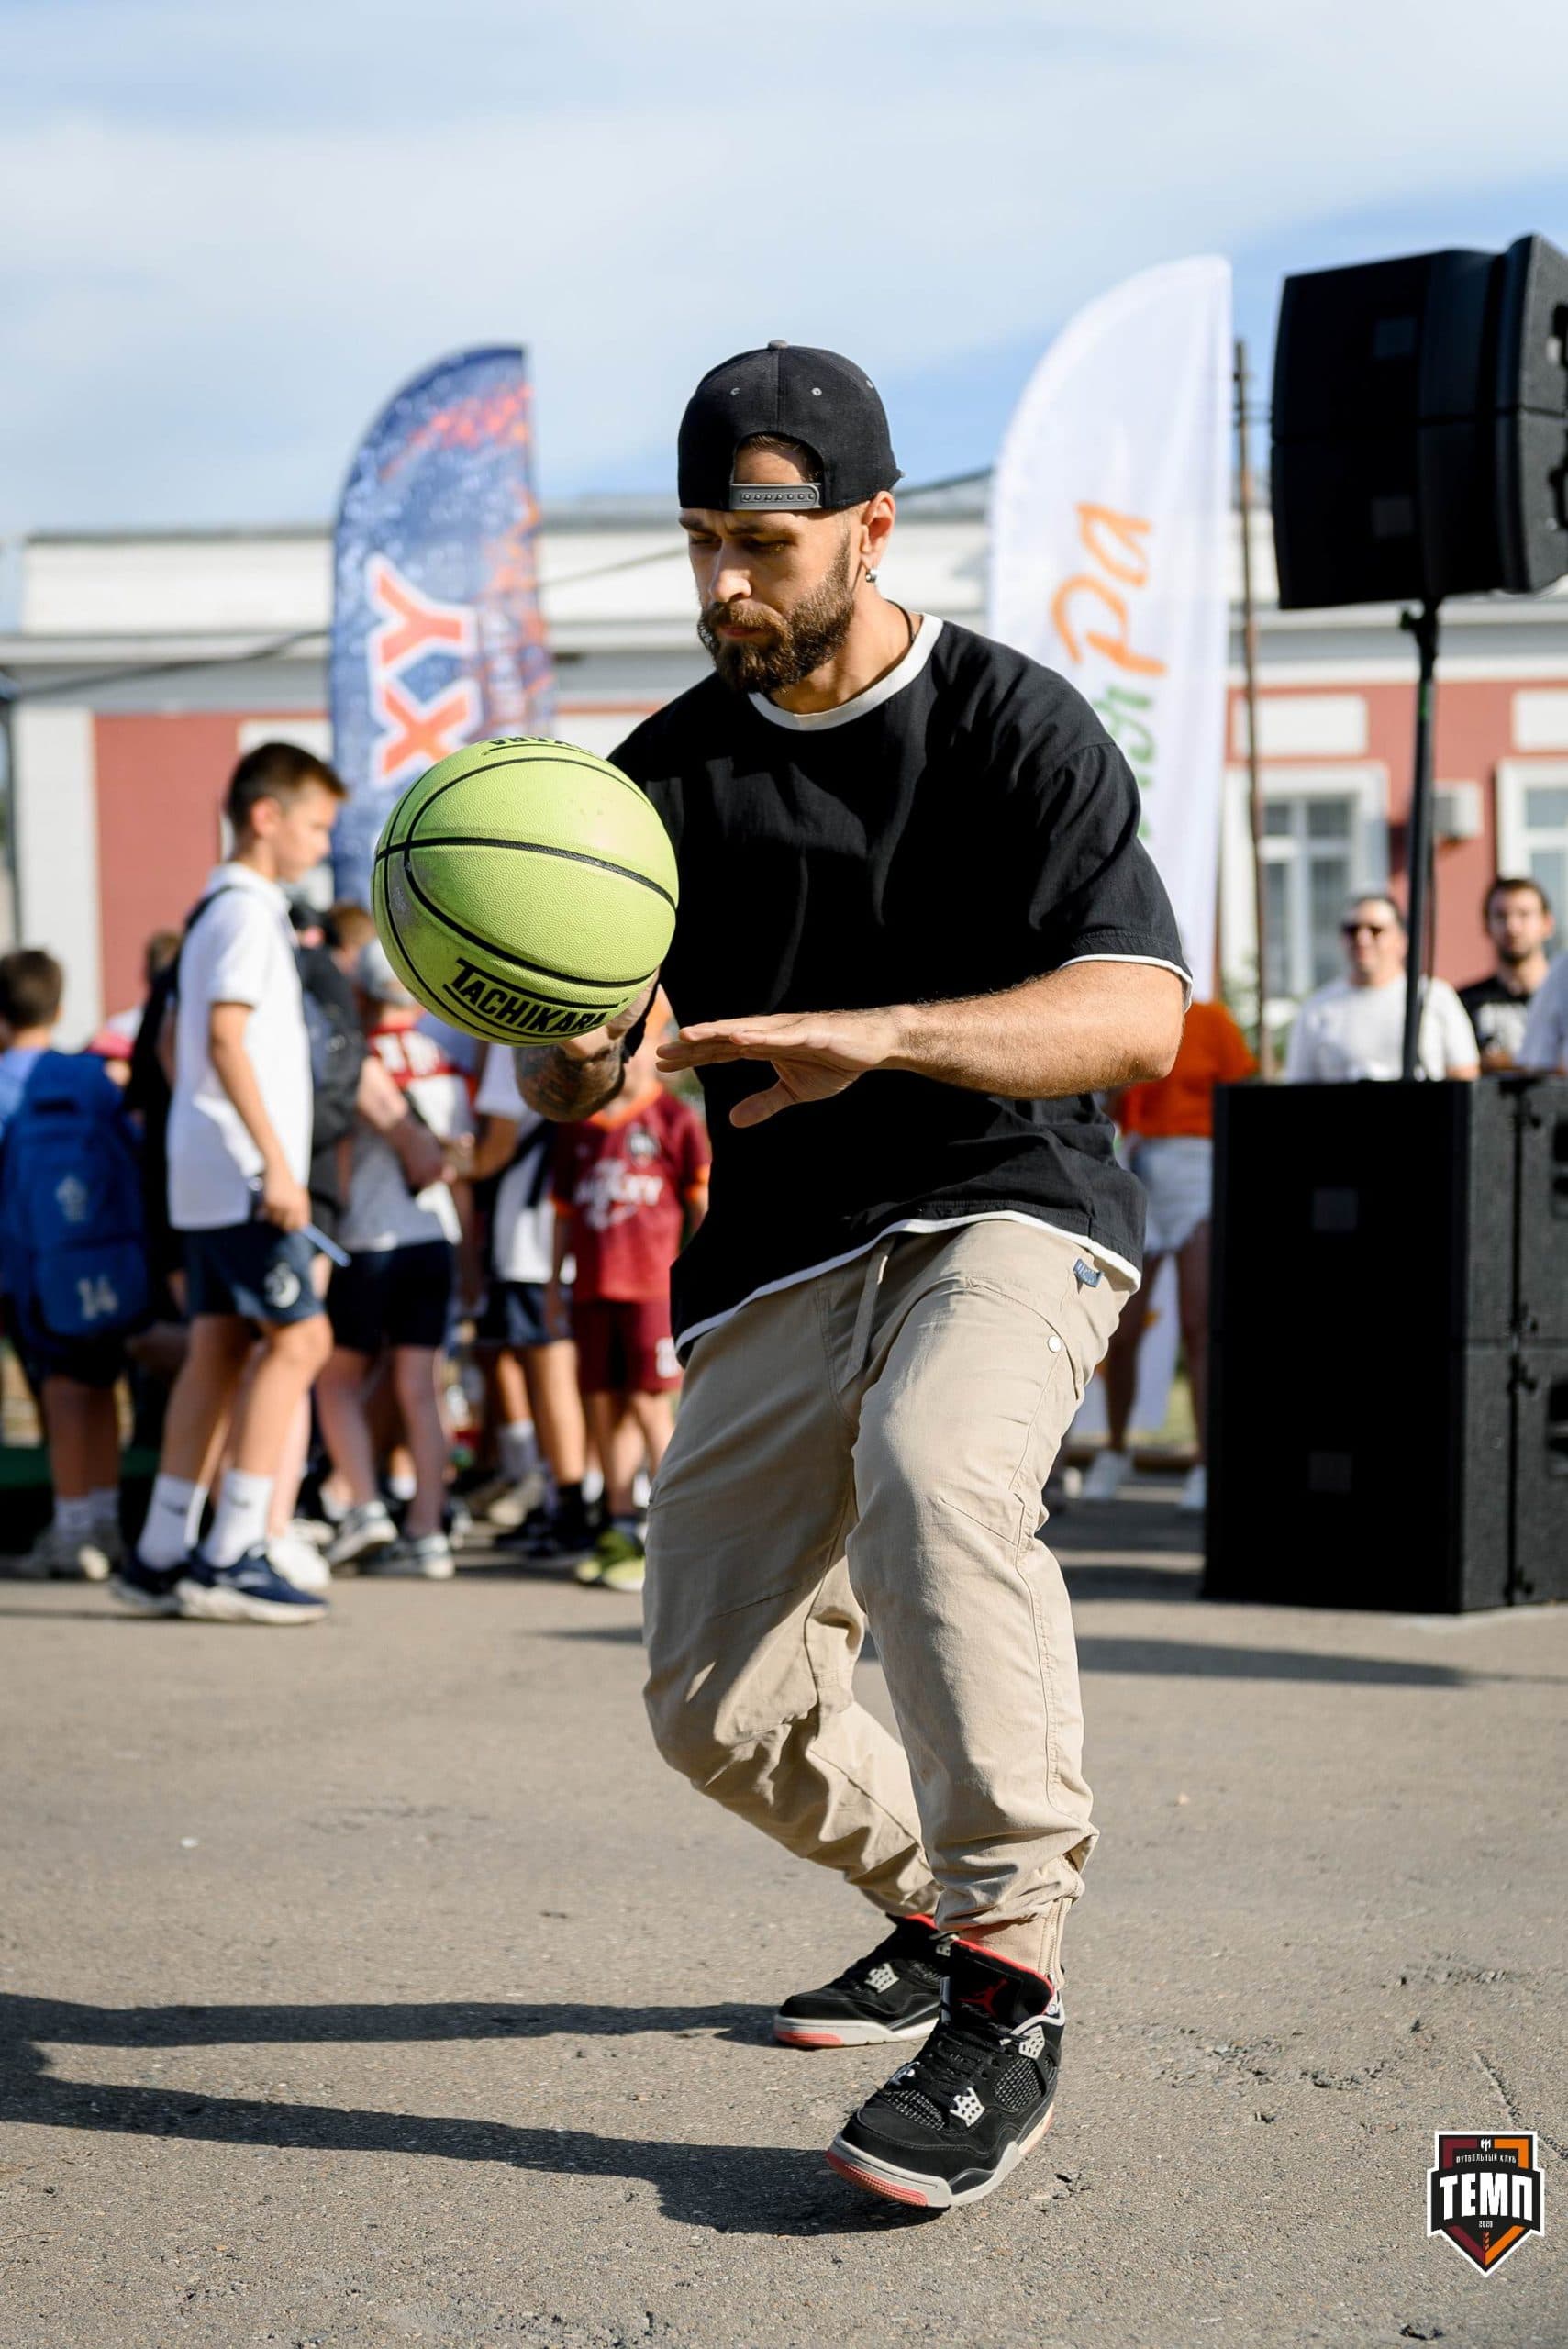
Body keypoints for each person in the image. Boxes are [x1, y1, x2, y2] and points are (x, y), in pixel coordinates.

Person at [517, 343, 1186, 2210]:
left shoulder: (1007, 723)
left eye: (762, 542)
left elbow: (1133, 1008)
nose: (726, 583)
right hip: (782, 1250)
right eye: (699, 545)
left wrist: (875, 1036)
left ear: (868, 527)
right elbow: (583, 1060)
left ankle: (1004, 1971)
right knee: (707, 1697)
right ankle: (918, 1891)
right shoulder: (657, 779)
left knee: (931, 1465)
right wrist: (570, 1046)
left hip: (1008, 1201)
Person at [109, 741, 346, 1623]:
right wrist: (276, 1165)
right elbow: (218, 1041)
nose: (324, 843)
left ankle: (162, 1553)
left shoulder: (213, 910)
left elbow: (176, 1045)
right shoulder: (248, 914)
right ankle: (235, 1550)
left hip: (209, 1174)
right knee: (302, 1343)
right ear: (266, 816)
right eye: (316, 824)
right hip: (250, 1177)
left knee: (219, 1348)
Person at [313, 941, 473, 1579]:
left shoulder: (353, 1057)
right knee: (420, 1385)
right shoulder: (443, 1058)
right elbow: (458, 1161)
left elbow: (341, 1161)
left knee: (336, 1379)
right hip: (433, 1234)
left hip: (365, 1239)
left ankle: (364, 1507)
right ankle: (427, 1530)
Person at [548, 1000, 709, 1591]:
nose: (630, 1065)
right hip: (593, 1288)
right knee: (603, 1406)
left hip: (651, 1290)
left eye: (638, 1053)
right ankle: (616, 1524)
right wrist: (551, 1283)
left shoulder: (675, 1121)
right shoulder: (579, 1128)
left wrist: (706, 1271)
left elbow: (702, 1207)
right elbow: (561, 1218)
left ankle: (671, 1527)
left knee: (648, 1404)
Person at [0, 949, 145, 1580]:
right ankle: (105, 1524)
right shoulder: (88, 1077)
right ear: (58, 1008)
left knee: (59, 1394)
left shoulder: (7, 1082)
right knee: (98, 1391)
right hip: (101, 1260)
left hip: (29, 1269)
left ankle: (71, 1527)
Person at [1081, 999, 1255, 1515]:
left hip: (1198, 1166)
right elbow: (1106, 1103)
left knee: (1199, 1323)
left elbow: (1240, 1090)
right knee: (1123, 1324)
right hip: (1139, 1161)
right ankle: (1115, 1449)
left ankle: (1205, 1461)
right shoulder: (1130, 1016)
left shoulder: (1212, 1020)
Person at [467, 1043, 595, 1562]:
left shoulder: (512, 1034)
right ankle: (575, 1500)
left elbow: (497, 1143)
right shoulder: (589, 1009)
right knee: (575, 1372)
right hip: (587, 1219)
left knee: (548, 1367)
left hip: (534, 1232)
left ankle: (568, 1507)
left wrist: (461, 1165)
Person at [1284, 893, 1478, 1084]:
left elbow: (1463, 1076)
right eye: (1352, 930)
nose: (1362, 939)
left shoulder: (1434, 996)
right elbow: (1299, 1085)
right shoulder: (1317, 1009)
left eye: (1375, 930)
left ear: (1401, 940)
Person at [1459, 876, 1556, 1072]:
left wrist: (1501, 1061)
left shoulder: (1561, 997)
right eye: (1501, 916)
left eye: (1524, 914)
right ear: (1486, 925)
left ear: (1547, 924)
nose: (1512, 927)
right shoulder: (1464, 1002)